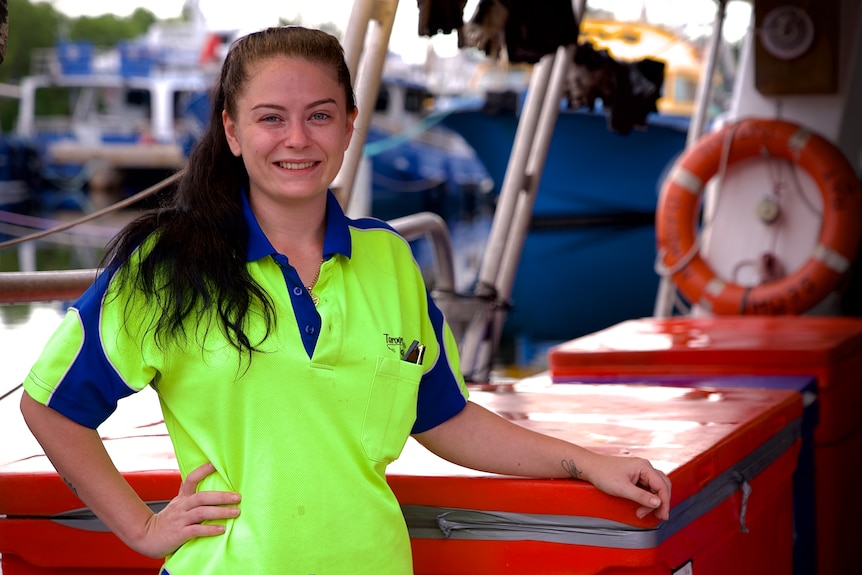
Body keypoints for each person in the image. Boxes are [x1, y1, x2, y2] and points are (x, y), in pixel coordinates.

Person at [20, 26, 671, 575]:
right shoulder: (165, 264)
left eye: (319, 115)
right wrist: (140, 527)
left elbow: (443, 416)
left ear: (350, 125)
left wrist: (586, 461)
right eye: (271, 117)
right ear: (233, 130)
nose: (297, 138)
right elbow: (51, 405)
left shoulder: (390, 258)